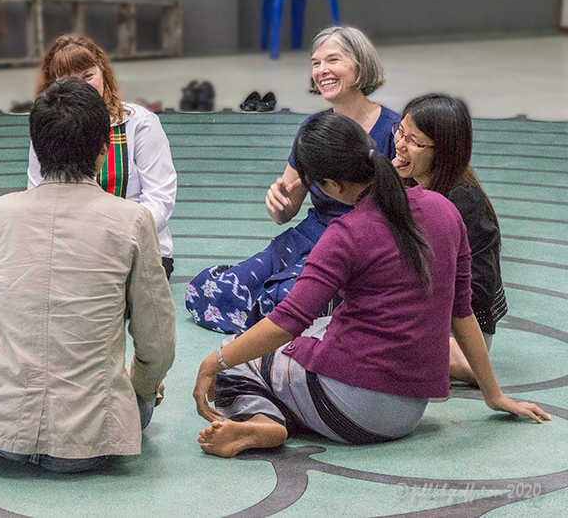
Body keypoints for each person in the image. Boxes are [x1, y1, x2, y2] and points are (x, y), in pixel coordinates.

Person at [190, 112, 549, 458]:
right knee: (321, 326)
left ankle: (261, 418)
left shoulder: (344, 234)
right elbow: (462, 312)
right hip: (409, 412)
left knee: (237, 357)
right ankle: (273, 413)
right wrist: (494, 394)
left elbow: (286, 323)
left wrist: (212, 362)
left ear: (332, 186)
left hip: (350, 412)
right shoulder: (444, 209)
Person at [0, 78, 176, 472]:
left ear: (37, 149)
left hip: (5, 435)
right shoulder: (133, 221)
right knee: (143, 380)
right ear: (103, 150)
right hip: (97, 441)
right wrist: (140, 387)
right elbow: (157, 343)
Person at [187, 25, 400, 333]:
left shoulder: (394, 129)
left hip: (358, 246)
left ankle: (277, 313)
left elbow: (408, 210)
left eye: (333, 60)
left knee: (287, 301)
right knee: (212, 292)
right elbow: (286, 209)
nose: (322, 70)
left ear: (360, 64)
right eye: (316, 63)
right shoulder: (313, 128)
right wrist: (278, 204)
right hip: (308, 236)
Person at [27, 34, 177, 279]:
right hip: (69, 252)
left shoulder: (140, 123)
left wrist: (110, 239)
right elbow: (37, 194)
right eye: (67, 80)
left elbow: (160, 198)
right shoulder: (45, 125)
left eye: (88, 76)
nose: (82, 87)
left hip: (136, 251)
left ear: (104, 73)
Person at [394, 94, 507, 384]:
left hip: (464, 331)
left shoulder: (464, 200)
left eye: (415, 142)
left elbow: (480, 288)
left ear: (442, 152)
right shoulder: (405, 181)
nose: (400, 144)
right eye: (401, 131)